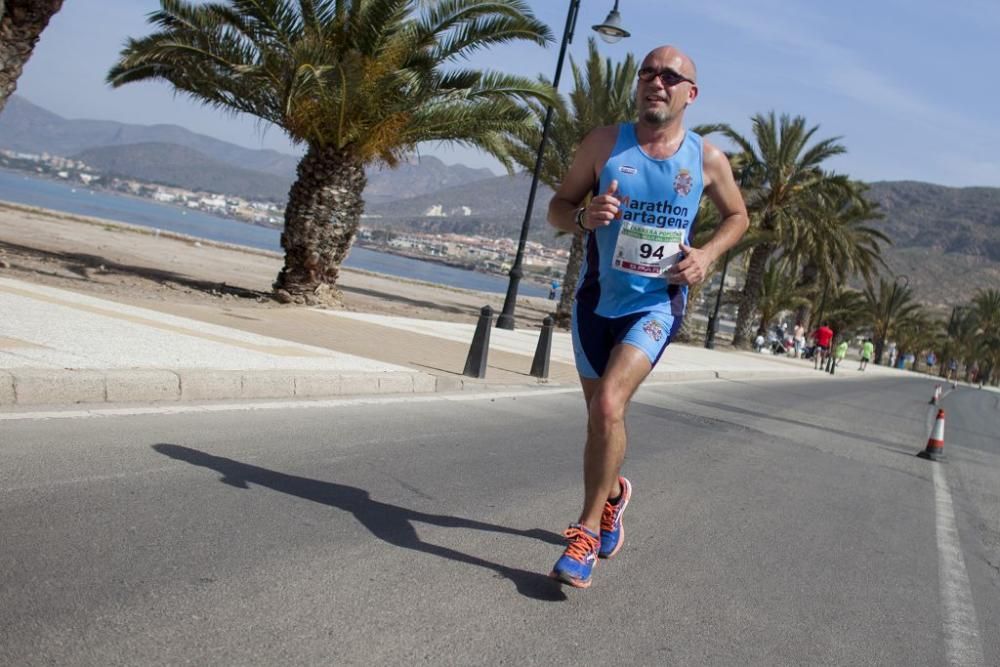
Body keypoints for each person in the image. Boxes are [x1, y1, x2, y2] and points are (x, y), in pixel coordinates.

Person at [545, 45, 749, 588]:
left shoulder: (705, 160)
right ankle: (614, 495)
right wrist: (585, 217)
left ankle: (585, 535)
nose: (655, 82)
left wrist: (705, 255)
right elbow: (556, 208)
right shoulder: (603, 144)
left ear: (690, 93)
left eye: (670, 76)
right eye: (647, 73)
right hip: (594, 302)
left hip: (655, 304)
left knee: (610, 403)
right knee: (600, 418)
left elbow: (738, 216)